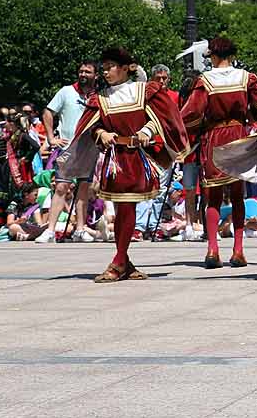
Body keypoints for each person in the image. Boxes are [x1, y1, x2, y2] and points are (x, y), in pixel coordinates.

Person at [62, 46, 190, 283]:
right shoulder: (99, 99)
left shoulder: (144, 91)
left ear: (124, 69)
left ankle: (118, 262)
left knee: (128, 207)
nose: (106, 72)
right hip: (113, 160)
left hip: (137, 158)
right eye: (104, 68)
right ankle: (125, 262)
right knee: (122, 209)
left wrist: (147, 130)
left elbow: (164, 117)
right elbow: (90, 127)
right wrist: (100, 133)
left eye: (110, 67)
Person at [180, 35, 257, 269]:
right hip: (239, 135)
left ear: (212, 56)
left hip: (214, 136)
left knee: (212, 195)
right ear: (232, 55)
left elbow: (189, 114)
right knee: (237, 194)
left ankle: (212, 248)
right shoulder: (246, 78)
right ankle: (238, 250)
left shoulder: (205, 81)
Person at [41, 61, 99, 243]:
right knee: (60, 187)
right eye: (81, 71)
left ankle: (80, 229)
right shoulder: (66, 91)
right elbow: (48, 112)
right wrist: (51, 138)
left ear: (95, 75)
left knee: (83, 188)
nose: (83, 74)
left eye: (88, 72)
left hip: (89, 148)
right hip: (67, 147)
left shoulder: (99, 95)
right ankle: (50, 231)